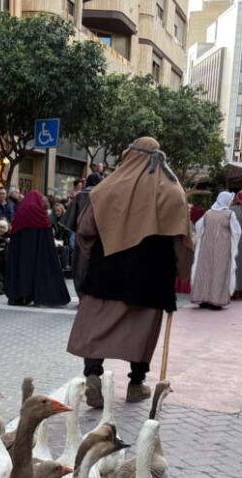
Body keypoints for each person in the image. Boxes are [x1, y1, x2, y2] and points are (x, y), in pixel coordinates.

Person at [66, 137, 193, 407]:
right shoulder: (172, 190)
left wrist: (93, 253)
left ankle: (93, 375)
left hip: (107, 270)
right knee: (143, 329)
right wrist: (182, 271)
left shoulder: (106, 188)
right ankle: (136, 384)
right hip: (152, 275)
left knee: (96, 324)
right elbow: (181, 240)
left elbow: (85, 230)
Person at [4, 190, 69, 307]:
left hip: (22, 253)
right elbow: (47, 230)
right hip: (38, 252)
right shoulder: (40, 212)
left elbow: (14, 231)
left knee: (23, 271)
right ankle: (41, 296)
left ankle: (22, 296)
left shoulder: (21, 211)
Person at [190, 191, 241, 310]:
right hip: (222, 247)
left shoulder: (208, 213)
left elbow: (198, 226)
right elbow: (237, 231)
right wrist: (232, 244)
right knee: (219, 272)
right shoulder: (229, 214)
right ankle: (216, 300)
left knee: (205, 271)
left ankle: (202, 299)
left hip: (206, 246)